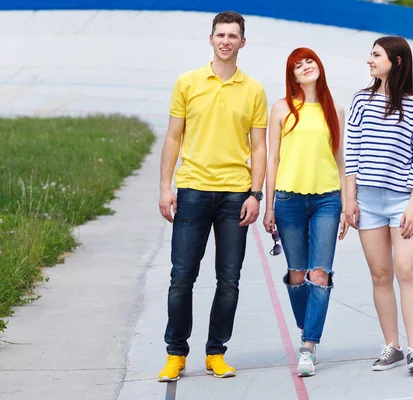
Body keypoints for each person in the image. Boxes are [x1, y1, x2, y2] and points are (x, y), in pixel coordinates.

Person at [157, 10, 268, 382]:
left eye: (232, 36)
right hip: (192, 190)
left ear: (242, 42)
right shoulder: (187, 83)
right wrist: (165, 187)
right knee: (181, 277)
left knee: (229, 279)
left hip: (235, 195)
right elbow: (173, 137)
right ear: (211, 39)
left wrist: (256, 193)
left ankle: (216, 352)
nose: (226, 41)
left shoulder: (253, 89)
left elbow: (259, 147)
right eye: (220, 34)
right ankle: (176, 353)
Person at [344, 36, 413, 372]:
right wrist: (349, 200)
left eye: (376, 55)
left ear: (396, 61)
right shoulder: (361, 100)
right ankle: (391, 346)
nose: (369, 60)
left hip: (403, 203)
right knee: (380, 275)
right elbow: (351, 153)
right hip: (367, 203)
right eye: (370, 53)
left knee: (407, 272)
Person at [263, 47, 348, 377]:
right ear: (292, 76)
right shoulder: (281, 109)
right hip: (288, 200)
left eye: (309, 61)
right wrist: (269, 204)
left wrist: (345, 204)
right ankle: (307, 322)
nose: (306, 67)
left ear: (319, 66)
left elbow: (341, 161)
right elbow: (273, 159)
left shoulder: (334, 109)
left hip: (327, 199)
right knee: (298, 274)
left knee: (319, 274)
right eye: (298, 66)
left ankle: (308, 347)